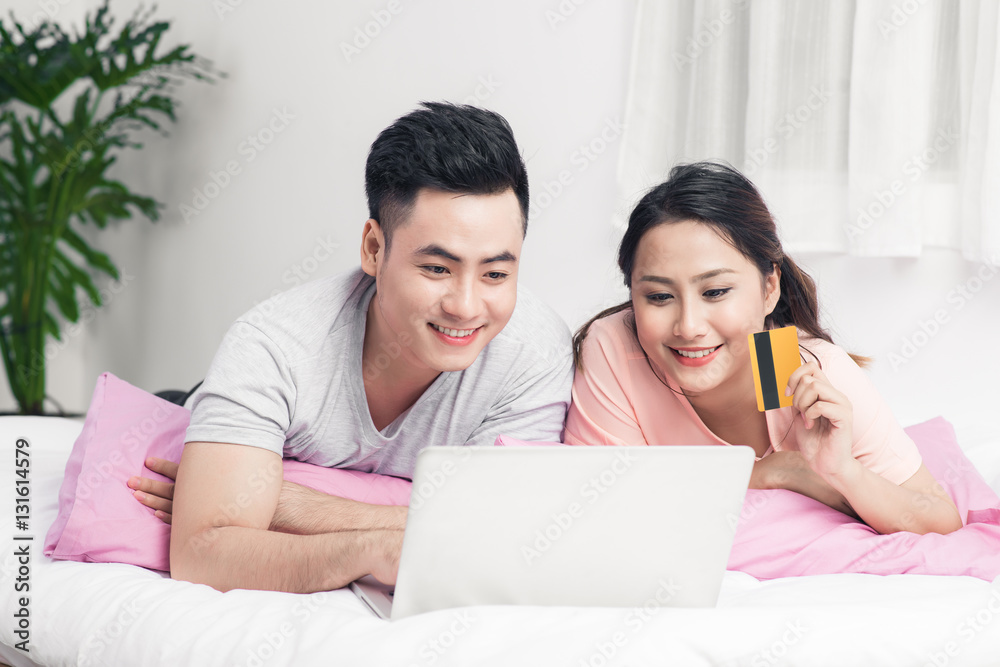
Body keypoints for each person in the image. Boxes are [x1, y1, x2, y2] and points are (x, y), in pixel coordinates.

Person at [128, 102, 574, 593]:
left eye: (495, 274)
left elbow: (500, 534)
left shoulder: (534, 354)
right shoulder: (274, 343)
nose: (466, 307)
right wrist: (368, 548)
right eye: (437, 269)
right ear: (373, 249)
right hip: (203, 402)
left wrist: (289, 502)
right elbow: (202, 554)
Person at [566, 161, 961, 536]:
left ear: (768, 289)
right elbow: (598, 504)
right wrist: (772, 472)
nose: (688, 326)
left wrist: (842, 472)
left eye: (716, 292)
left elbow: (941, 520)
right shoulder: (616, 344)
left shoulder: (800, 370)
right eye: (658, 297)